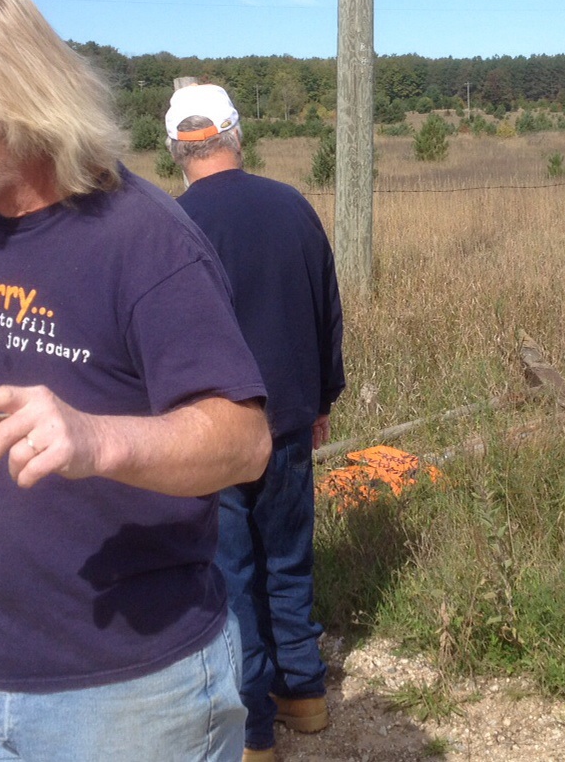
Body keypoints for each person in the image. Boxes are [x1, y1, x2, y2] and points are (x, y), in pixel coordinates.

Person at [0, 0, 271, 762]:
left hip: (127, 690)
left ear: (21, 103)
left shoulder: (145, 240)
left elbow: (244, 439)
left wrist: (95, 440)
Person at [167, 83, 345, 762]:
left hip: (210, 432)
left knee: (231, 574)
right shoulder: (293, 207)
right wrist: (323, 398)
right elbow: (326, 307)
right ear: (237, 134)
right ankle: (305, 697)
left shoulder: (172, 223)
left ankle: (252, 735)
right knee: (290, 560)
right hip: (290, 418)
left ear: (176, 149)